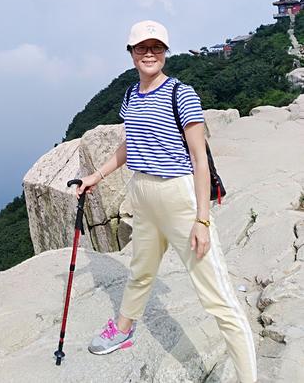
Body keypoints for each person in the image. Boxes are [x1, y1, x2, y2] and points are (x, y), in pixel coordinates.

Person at [76, 20, 257, 383]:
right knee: (141, 270)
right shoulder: (130, 95)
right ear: (130, 53)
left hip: (179, 195)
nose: (149, 53)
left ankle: (248, 377)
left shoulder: (181, 94)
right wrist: (96, 176)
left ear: (165, 53)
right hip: (142, 193)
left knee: (217, 296)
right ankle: (124, 329)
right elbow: (131, 145)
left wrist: (202, 221)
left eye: (156, 47)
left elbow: (199, 158)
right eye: (142, 47)